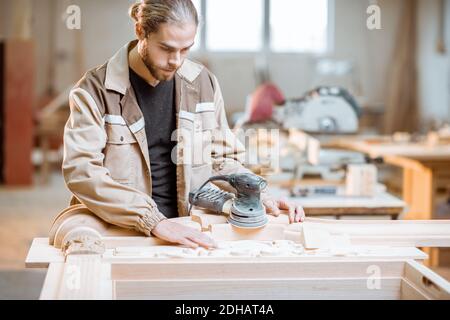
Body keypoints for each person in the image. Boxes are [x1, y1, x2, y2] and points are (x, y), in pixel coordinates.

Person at [60, 0, 305, 249]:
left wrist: (258, 193)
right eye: (166, 48)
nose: (176, 60)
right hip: (122, 225)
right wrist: (152, 220)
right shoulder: (94, 90)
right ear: (140, 31)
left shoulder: (202, 83)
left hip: (189, 222)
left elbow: (221, 158)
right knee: (79, 239)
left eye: (186, 49)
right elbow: (82, 171)